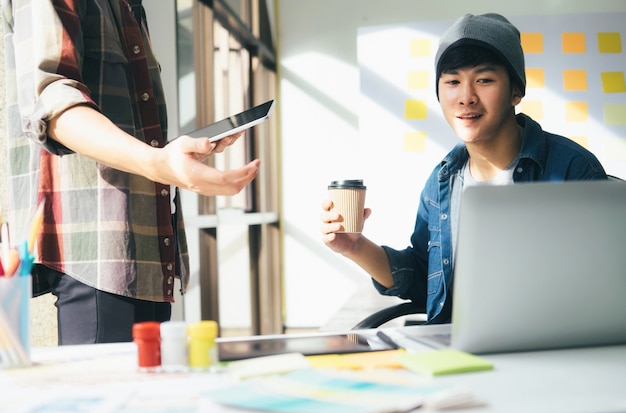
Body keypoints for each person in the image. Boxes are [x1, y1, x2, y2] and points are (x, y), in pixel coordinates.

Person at [320, 13, 608, 325]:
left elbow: (603, 283)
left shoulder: (572, 169)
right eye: (453, 82)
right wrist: (355, 246)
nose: (466, 97)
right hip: (458, 351)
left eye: (484, 80)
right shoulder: (442, 180)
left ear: (515, 91)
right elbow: (421, 278)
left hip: (550, 344)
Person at [2, 0, 261, 344]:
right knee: (102, 395)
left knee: (148, 393)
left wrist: (172, 155)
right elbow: (52, 104)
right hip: (94, 250)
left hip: (148, 249)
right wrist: (161, 164)